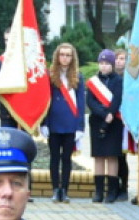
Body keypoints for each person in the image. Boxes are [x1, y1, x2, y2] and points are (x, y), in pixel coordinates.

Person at [42, 43, 85, 203]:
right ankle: (55, 190)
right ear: (57, 56)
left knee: (67, 159)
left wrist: (80, 126)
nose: (65, 58)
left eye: (68, 55)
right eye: (62, 55)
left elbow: (81, 103)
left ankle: (65, 191)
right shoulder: (50, 75)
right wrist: (44, 123)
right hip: (54, 123)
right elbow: (45, 100)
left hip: (70, 124)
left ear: (72, 57)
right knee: (54, 158)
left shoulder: (78, 76)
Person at [86, 49, 124, 203]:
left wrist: (110, 114)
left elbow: (117, 99)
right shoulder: (93, 81)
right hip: (97, 120)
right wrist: (104, 114)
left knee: (111, 156)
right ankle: (99, 191)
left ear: (112, 65)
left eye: (107, 63)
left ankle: (112, 191)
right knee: (99, 156)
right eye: (101, 63)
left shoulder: (118, 80)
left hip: (114, 122)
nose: (104, 66)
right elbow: (90, 101)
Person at [114, 48, 131, 201]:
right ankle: (113, 186)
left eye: (122, 58)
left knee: (121, 156)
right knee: (112, 156)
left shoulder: (130, 79)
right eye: (117, 58)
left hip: (124, 120)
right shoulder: (110, 77)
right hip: (111, 120)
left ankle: (123, 187)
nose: (119, 61)